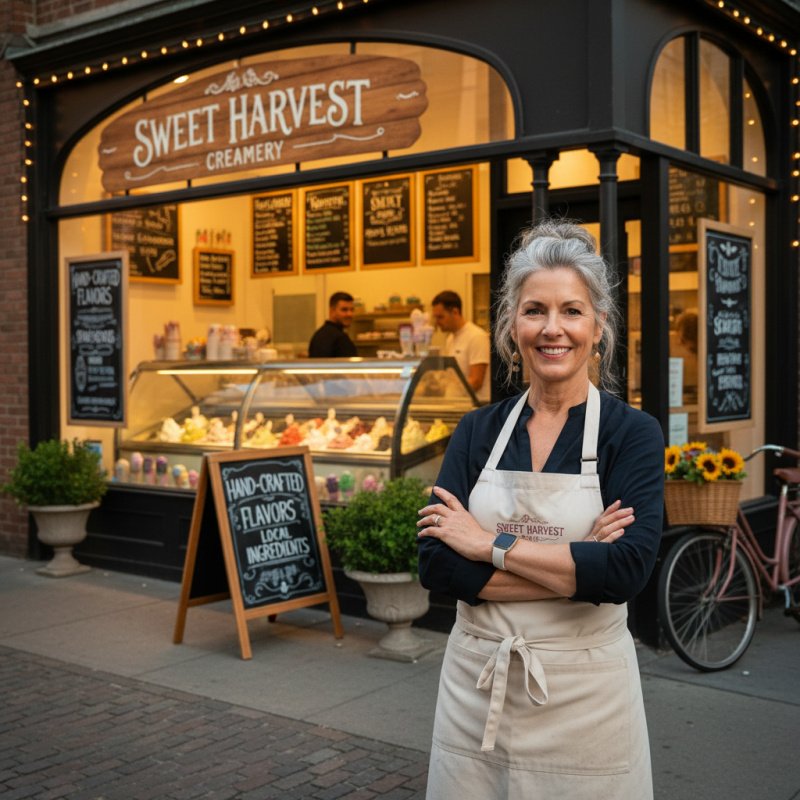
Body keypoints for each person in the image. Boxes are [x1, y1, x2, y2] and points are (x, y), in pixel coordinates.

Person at [417, 220, 664, 799]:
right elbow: (437, 565)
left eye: (571, 311)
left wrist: (488, 546)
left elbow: (626, 572)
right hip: (476, 689)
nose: (553, 328)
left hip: (588, 696)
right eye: (535, 311)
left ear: (598, 325)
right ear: (512, 327)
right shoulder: (477, 430)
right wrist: (578, 566)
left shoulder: (632, 434)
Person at [431, 291, 491, 402]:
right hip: (457, 404)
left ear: (455, 312)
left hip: (476, 406)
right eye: (436, 318)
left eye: (440, 317)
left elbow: (476, 381)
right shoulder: (450, 338)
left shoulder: (477, 337)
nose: (437, 322)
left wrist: (453, 395)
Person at [308, 292, 357, 357]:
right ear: (332, 311)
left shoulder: (318, 335)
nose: (349, 314)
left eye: (352, 310)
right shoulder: (340, 338)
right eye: (344, 310)